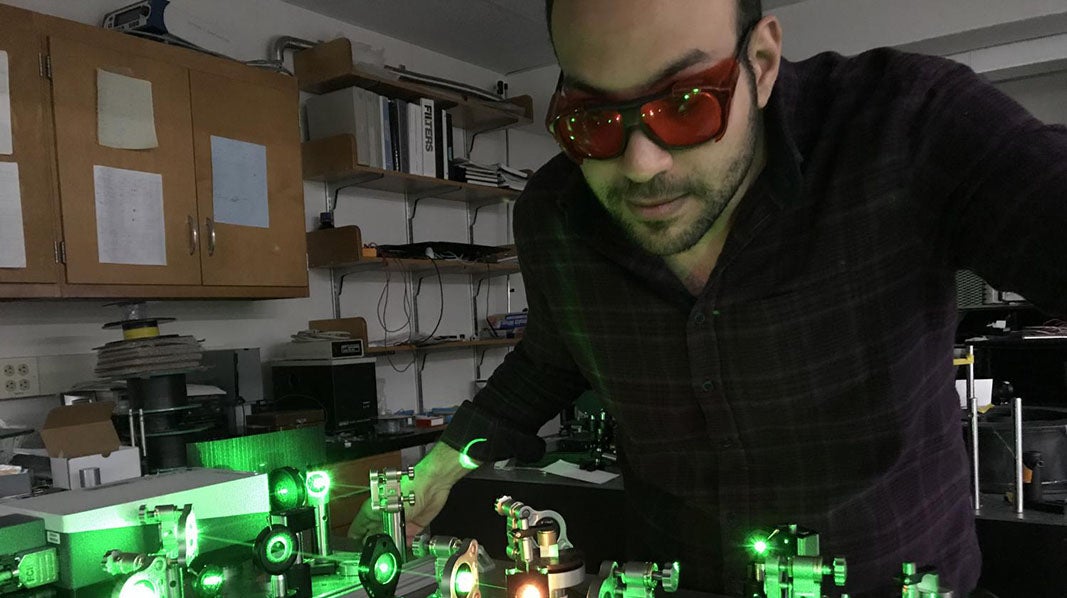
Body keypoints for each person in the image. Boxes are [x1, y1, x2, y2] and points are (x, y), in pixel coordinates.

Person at [349, 0, 1067, 595]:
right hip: (679, 577)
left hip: (894, 575)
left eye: (686, 104)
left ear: (760, 63)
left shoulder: (909, 125)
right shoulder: (555, 214)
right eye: (592, 121)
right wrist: (445, 462)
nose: (640, 165)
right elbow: (554, 354)